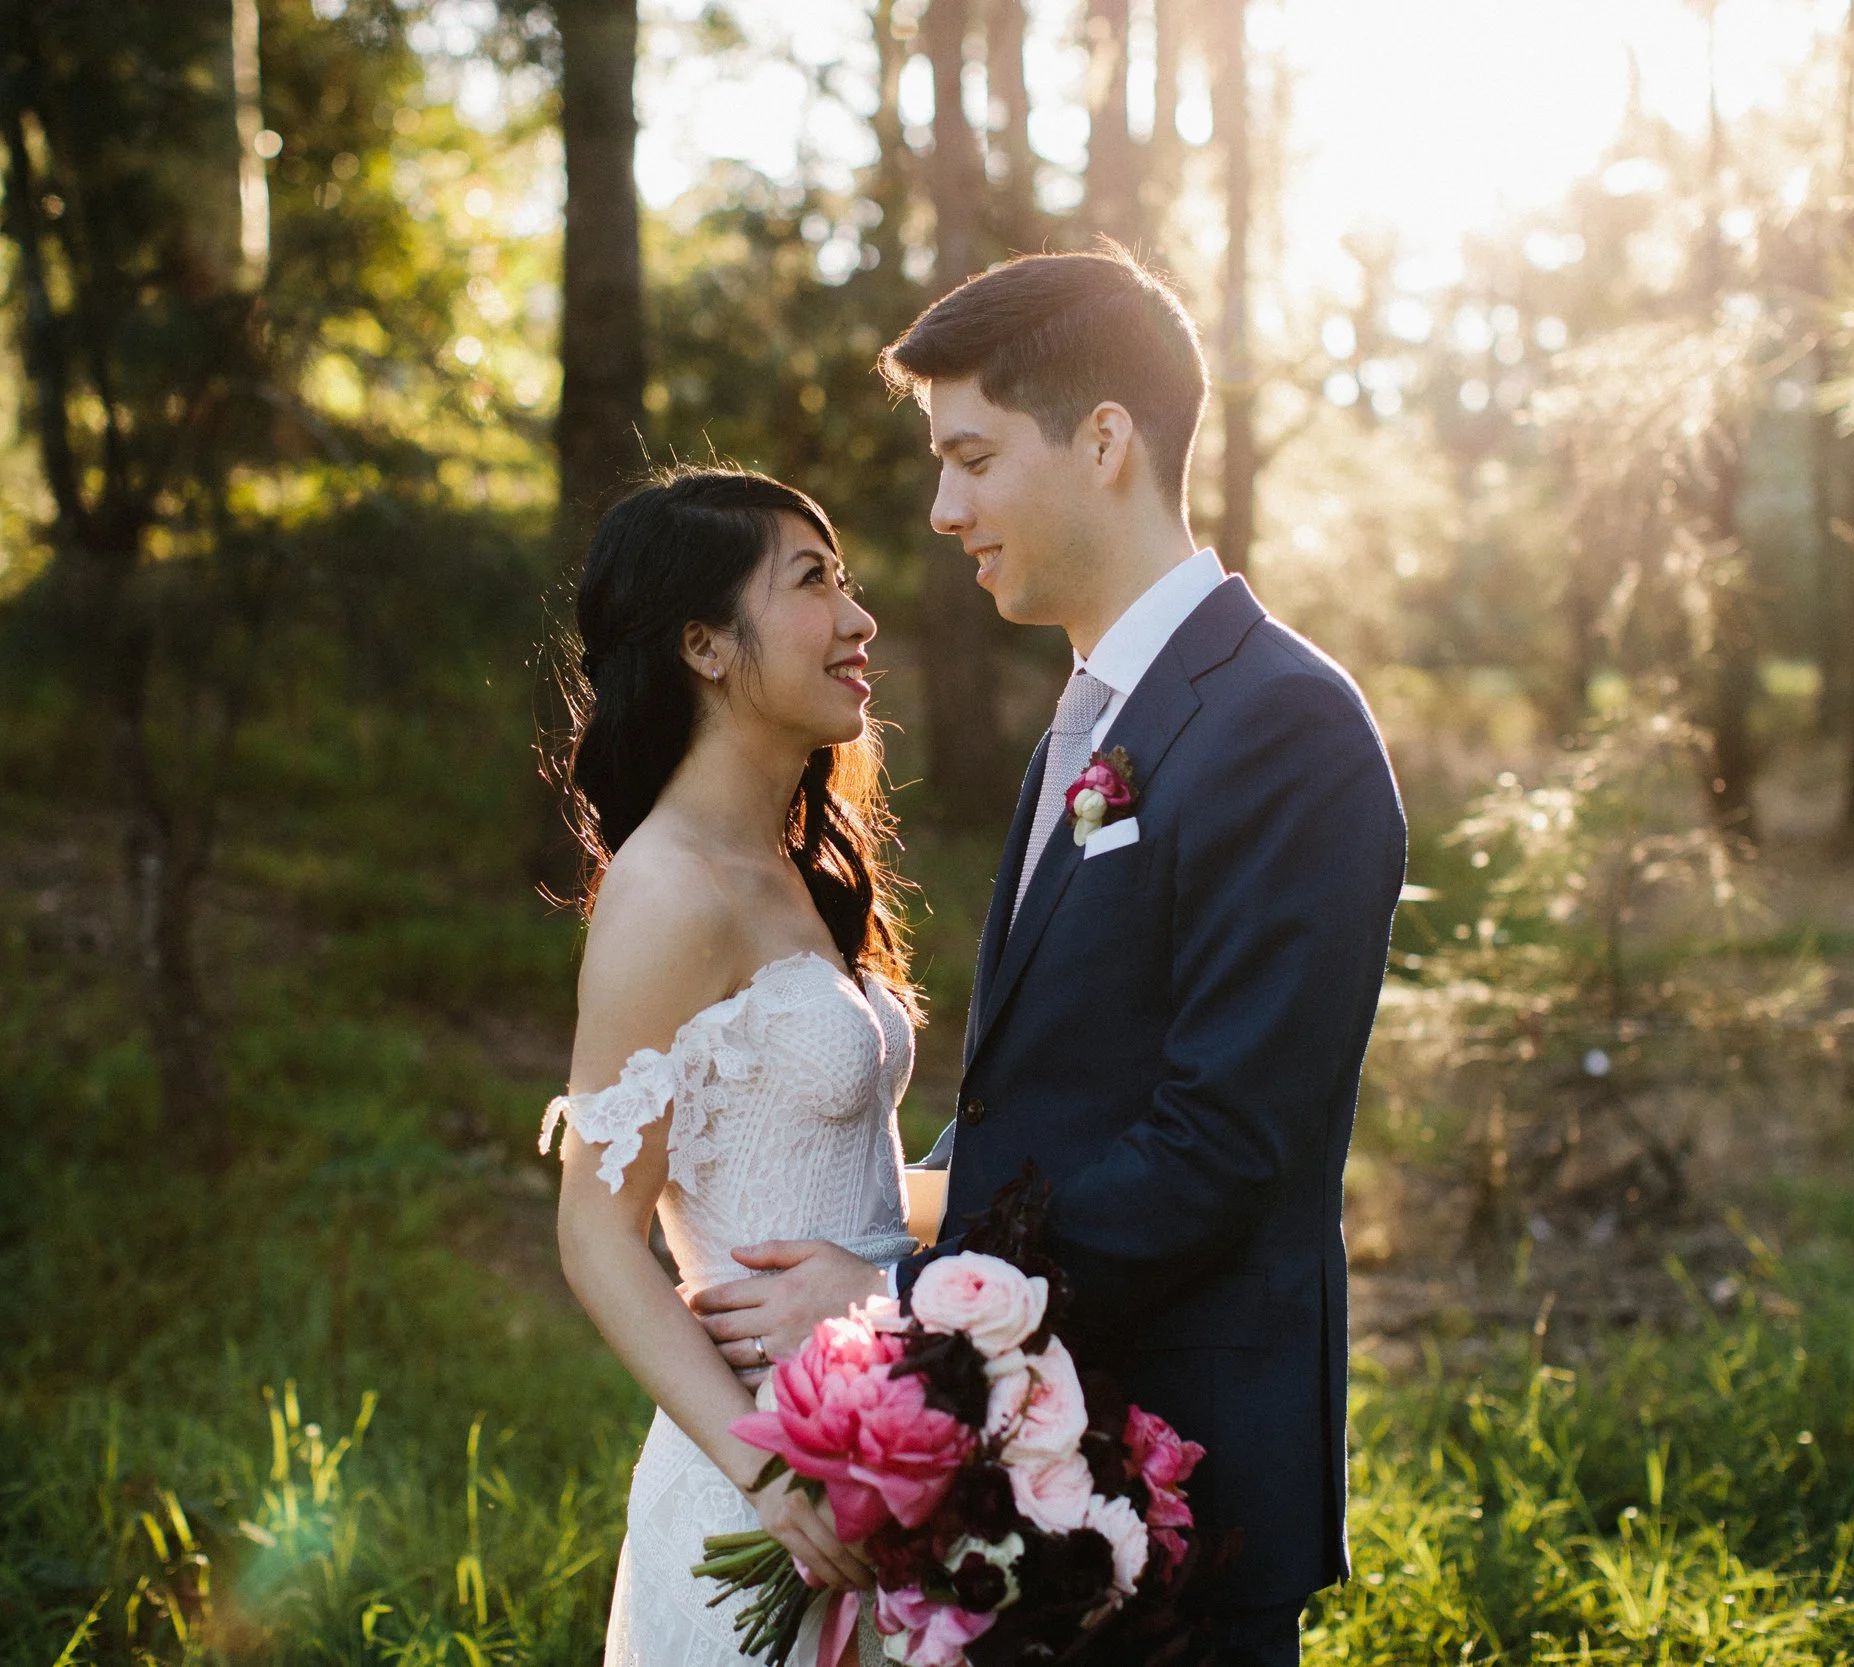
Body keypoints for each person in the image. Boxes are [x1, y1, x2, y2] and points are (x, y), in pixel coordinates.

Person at [685, 249, 1408, 1667]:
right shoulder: (1094, 713)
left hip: (1187, 1475)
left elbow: (1223, 1144)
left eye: (971, 458)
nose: (943, 510)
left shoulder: (1282, 721)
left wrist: (895, 1286)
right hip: (1029, 1457)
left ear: (1103, 438)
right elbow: (1061, 1089)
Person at [541, 467, 917, 1664]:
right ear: (703, 642)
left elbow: (850, 1179)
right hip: (758, 1490)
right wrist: (769, 1469)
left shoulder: (798, 865)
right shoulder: (664, 889)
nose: (857, 621)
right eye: (815, 582)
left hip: (888, 1453)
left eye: (846, 581)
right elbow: (597, 1234)